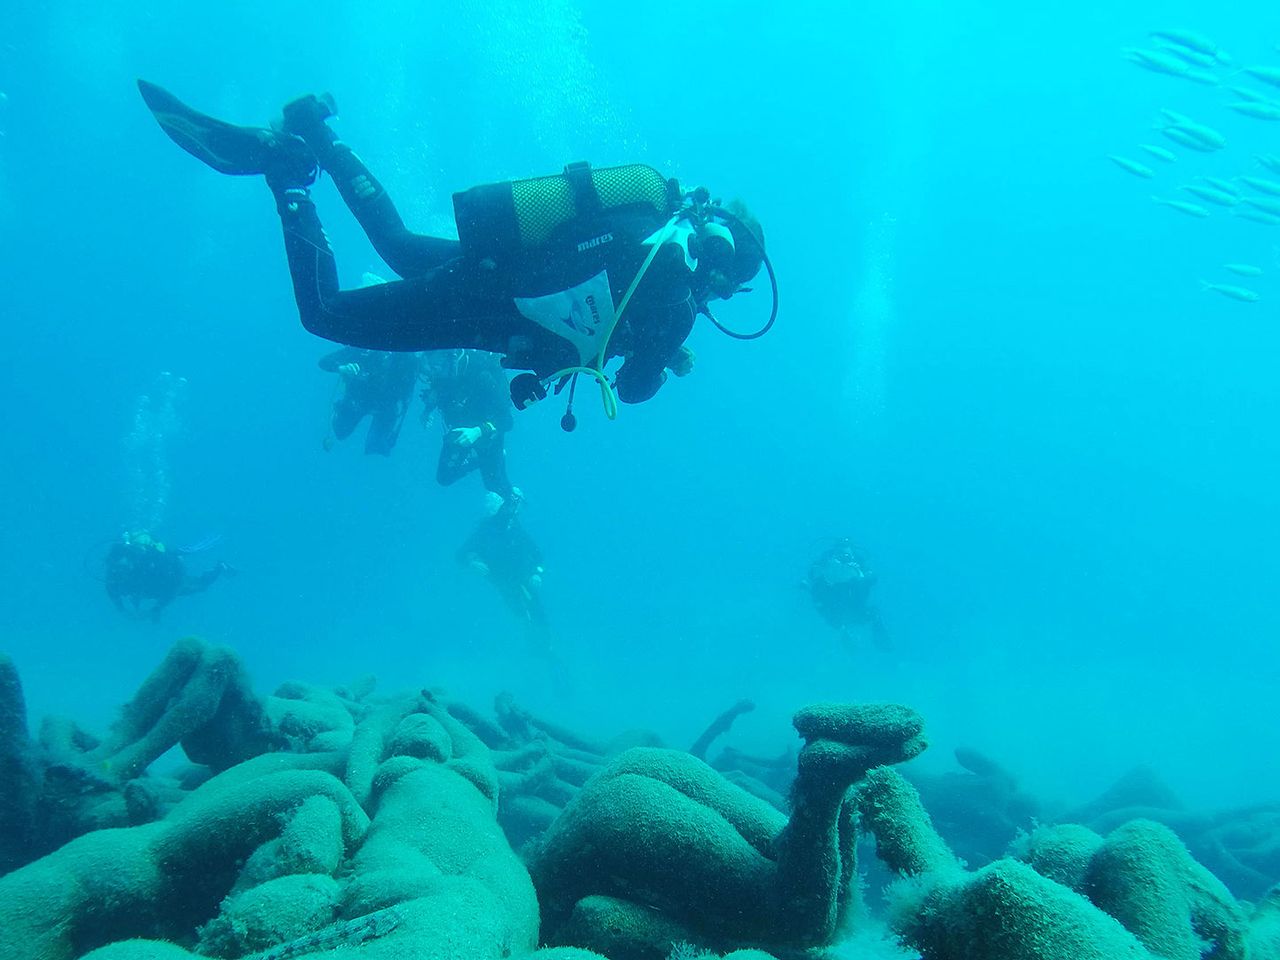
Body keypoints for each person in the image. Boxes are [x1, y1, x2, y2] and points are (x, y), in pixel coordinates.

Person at [137, 82, 774, 423]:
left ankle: (314, 130)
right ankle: (284, 172)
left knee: (396, 243)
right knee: (324, 314)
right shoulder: (678, 295)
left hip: (495, 271)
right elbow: (632, 388)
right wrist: (666, 359)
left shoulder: (652, 221)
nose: (717, 297)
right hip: (485, 311)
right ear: (723, 269)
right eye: (726, 287)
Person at [458, 494, 552, 654]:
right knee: (520, 613)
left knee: (537, 612)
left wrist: (537, 574)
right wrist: (471, 562)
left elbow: (538, 556)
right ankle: (533, 647)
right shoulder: (483, 531)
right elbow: (460, 555)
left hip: (523, 578)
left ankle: (547, 647)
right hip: (503, 583)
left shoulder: (516, 530)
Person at [420, 349, 516, 498]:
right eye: (431, 367)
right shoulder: (443, 373)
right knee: (445, 477)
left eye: (437, 366)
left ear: (450, 358)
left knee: (493, 484)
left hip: (488, 433)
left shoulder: (481, 375)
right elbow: (439, 391)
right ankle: (479, 460)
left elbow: (507, 420)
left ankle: (513, 500)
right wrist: (428, 410)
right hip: (460, 429)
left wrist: (477, 431)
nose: (434, 371)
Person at [103, 531, 231, 622]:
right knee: (136, 593)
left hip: (172, 575)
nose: (120, 572)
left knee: (200, 585)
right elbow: (111, 589)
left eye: (124, 568)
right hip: (148, 587)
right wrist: (122, 610)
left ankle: (220, 567)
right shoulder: (114, 574)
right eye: (118, 568)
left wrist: (157, 608)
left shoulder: (155, 569)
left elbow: (174, 588)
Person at [318, 347, 421, 455]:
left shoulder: (406, 357)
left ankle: (373, 462)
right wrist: (342, 368)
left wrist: (428, 408)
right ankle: (340, 407)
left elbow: (421, 378)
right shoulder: (362, 349)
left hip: (385, 404)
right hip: (358, 400)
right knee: (341, 432)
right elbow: (324, 362)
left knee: (378, 447)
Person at [805, 539, 890, 649]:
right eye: (839, 554)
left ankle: (881, 640)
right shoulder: (826, 563)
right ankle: (843, 631)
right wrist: (828, 571)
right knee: (817, 590)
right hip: (832, 606)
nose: (843, 558)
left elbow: (873, 578)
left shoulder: (859, 563)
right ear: (833, 554)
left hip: (855, 605)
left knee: (873, 612)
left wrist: (859, 575)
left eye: (846, 555)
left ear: (852, 554)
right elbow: (812, 575)